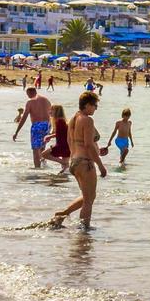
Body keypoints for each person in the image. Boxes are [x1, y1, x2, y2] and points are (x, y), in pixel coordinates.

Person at [50, 92, 106, 229]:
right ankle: (84, 230)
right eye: (95, 105)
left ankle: (62, 214)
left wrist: (74, 157)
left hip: (74, 162)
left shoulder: (73, 118)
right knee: (89, 200)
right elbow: (88, 144)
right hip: (84, 162)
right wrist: (100, 165)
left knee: (88, 197)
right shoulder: (87, 120)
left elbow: (69, 141)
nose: (96, 108)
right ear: (87, 105)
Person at [12, 86, 52, 169]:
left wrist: (17, 132)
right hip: (47, 125)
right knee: (42, 147)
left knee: (35, 149)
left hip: (37, 125)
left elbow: (24, 117)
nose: (27, 96)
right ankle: (44, 165)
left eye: (27, 94)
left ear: (30, 93)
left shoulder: (30, 102)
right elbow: (52, 114)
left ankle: (37, 169)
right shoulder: (46, 100)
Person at [40, 105, 71, 173]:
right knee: (65, 169)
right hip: (66, 145)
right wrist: (50, 136)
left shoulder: (59, 121)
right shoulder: (60, 120)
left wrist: (50, 136)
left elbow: (62, 133)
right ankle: (65, 180)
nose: (49, 111)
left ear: (57, 112)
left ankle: (62, 162)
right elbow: (62, 133)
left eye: (52, 110)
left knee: (43, 154)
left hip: (62, 145)